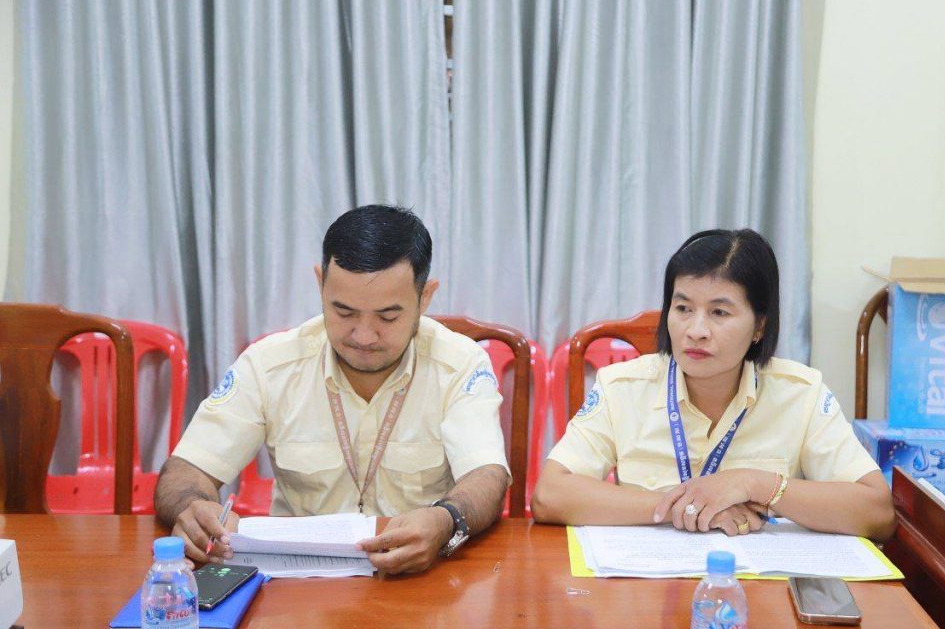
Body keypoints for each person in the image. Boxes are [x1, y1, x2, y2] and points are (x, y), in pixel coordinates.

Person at [155, 205, 511, 574]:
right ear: (320, 283)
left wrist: (446, 519)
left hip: (418, 575)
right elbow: (186, 470)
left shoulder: (460, 364)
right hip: (299, 582)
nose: (364, 336)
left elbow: (487, 476)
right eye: (344, 312)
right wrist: (192, 507)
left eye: (388, 317)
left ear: (425, 297)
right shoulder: (270, 365)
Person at [531, 229, 896, 541]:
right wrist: (685, 507)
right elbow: (550, 495)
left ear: (760, 326)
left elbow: (876, 513)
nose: (696, 331)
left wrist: (754, 484)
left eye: (719, 312)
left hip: (759, 591)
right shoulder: (621, 388)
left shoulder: (801, 394)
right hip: (648, 587)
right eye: (683, 308)